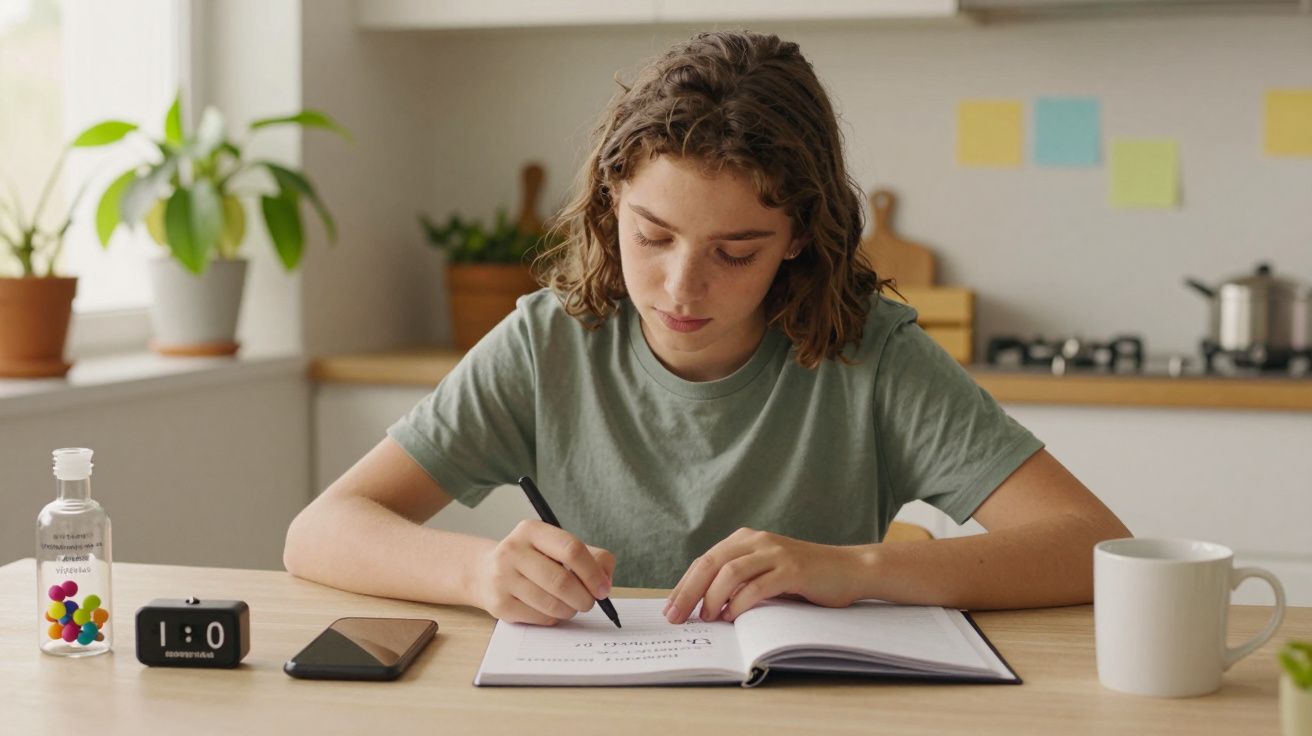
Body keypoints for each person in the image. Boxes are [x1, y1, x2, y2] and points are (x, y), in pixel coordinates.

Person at [283, 30, 1130, 627]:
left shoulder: (871, 355)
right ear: (612, 201)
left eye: (735, 251)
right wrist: (474, 571)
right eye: (653, 237)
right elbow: (319, 532)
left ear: (798, 238)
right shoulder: (548, 345)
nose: (681, 287)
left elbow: (1093, 545)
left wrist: (854, 570)